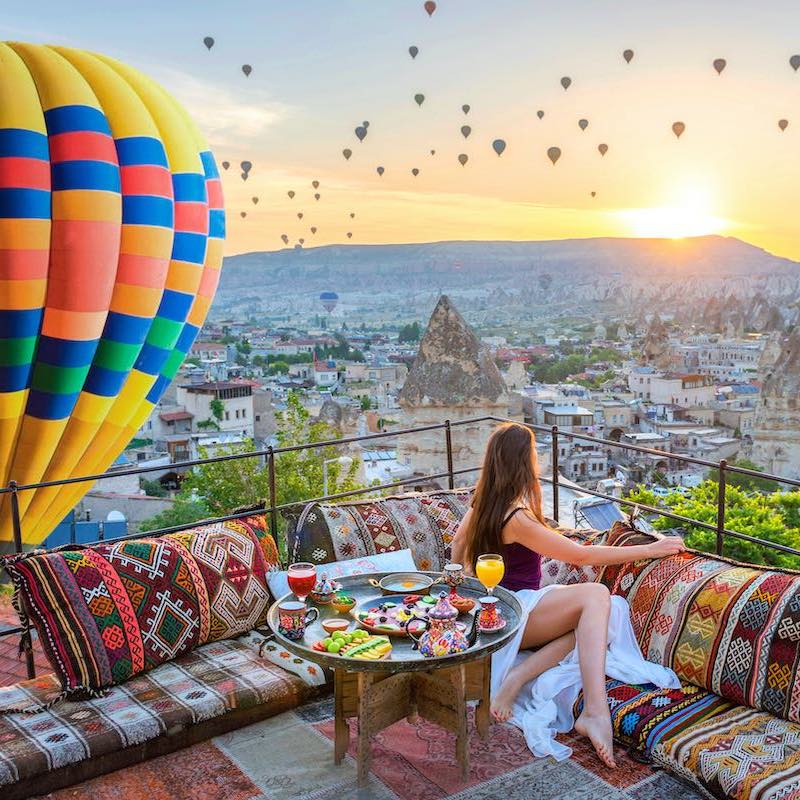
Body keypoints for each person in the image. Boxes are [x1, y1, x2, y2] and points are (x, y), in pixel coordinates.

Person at [451, 422, 685, 768]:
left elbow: (457, 547)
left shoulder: (481, 502)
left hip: (493, 608)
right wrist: (653, 549)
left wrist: (463, 596)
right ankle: (595, 709)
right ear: (524, 462)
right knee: (596, 596)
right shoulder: (515, 517)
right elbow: (580, 556)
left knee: (603, 613)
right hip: (514, 611)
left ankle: (518, 676)